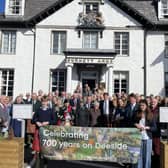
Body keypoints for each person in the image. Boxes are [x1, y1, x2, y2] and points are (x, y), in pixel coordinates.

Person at [134, 99, 156, 168]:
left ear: (146, 106)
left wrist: (147, 128)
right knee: (139, 156)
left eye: (143, 105)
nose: (141, 107)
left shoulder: (150, 114)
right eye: (140, 105)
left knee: (147, 157)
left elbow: (154, 128)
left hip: (147, 138)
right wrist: (136, 124)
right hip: (138, 138)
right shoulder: (137, 113)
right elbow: (131, 122)